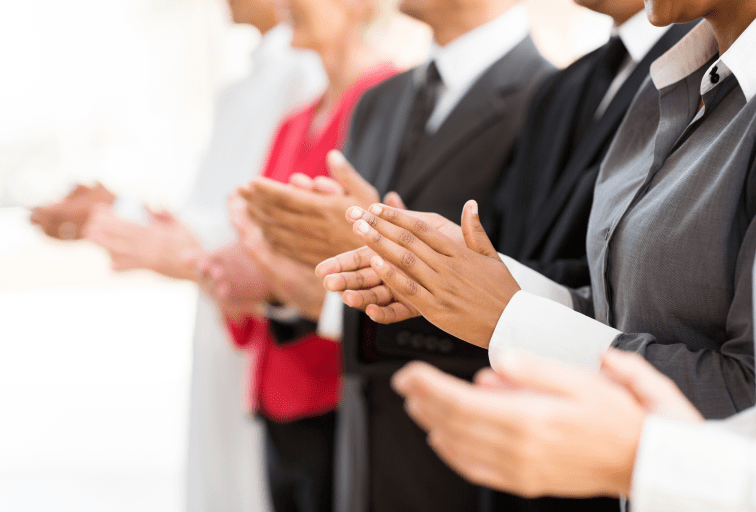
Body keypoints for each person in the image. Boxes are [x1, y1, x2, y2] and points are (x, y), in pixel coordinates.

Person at [319, 0, 756, 500]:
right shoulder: (677, 86)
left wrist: (510, 316)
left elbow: (744, 393)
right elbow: (625, 307)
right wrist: (474, 281)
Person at [241, 0, 553, 510]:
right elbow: (348, 271)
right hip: (362, 461)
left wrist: (381, 248)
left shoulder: (553, 98)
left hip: (466, 477)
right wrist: (295, 271)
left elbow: (543, 305)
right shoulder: (380, 101)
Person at [31, 1, 326, 510]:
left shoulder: (302, 75)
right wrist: (112, 211)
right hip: (228, 312)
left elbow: (252, 228)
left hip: (274, 329)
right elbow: (206, 215)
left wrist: (120, 217)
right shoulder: (246, 84)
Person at [194, 0, 399, 510]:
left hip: (335, 383)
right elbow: (259, 230)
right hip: (275, 379)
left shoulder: (390, 100)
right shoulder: (294, 120)